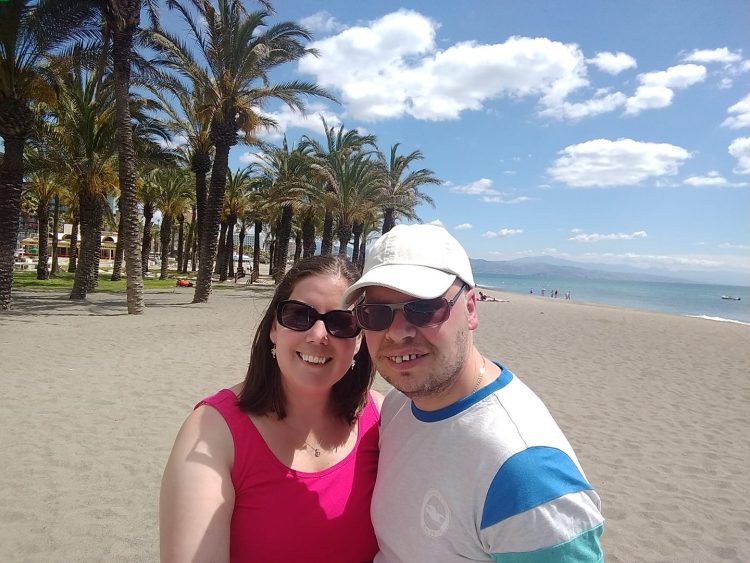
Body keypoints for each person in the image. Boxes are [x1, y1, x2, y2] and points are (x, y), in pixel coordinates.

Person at [343, 224, 604, 562]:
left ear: (470, 308)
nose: (398, 332)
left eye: (422, 308)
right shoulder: (399, 406)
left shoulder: (528, 473)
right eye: (376, 313)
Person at [160, 255, 382, 563]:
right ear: (274, 329)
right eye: (298, 315)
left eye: (341, 322)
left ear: (358, 341)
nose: (319, 336)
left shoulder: (384, 420)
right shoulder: (212, 434)